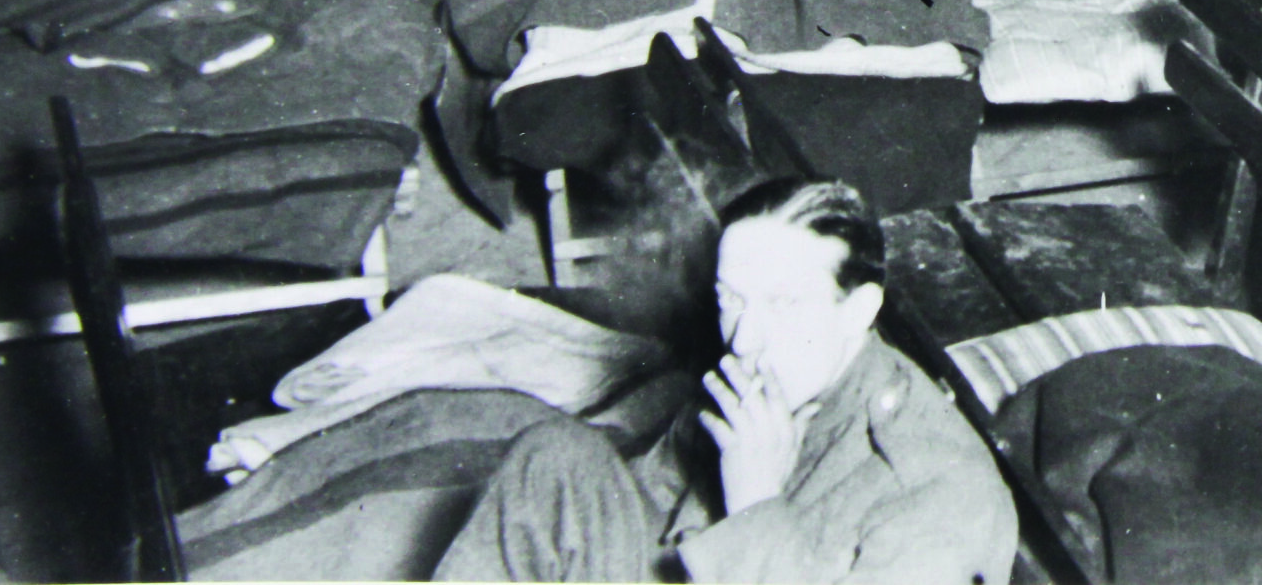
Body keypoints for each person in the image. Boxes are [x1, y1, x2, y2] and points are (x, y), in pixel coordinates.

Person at [434, 178, 1017, 584]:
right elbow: (653, 502)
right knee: (555, 458)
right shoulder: (764, 373)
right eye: (731, 300)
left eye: (783, 302)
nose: (745, 338)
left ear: (859, 309)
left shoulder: (940, 493)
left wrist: (755, 506)